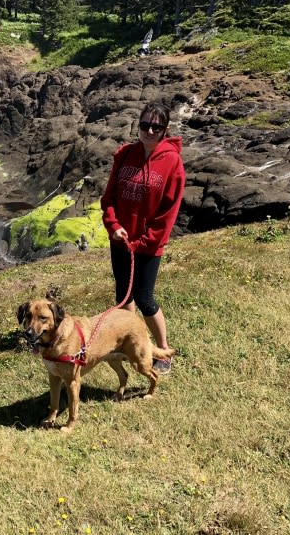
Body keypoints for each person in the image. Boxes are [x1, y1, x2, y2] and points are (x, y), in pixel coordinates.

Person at [100, 101, 185, 374]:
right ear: (138, 125)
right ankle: (130, 342)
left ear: (164, 130)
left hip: (148, 246)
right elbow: (109, 197)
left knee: (144, 298)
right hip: (120, 240)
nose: (149, 130)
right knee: (124, 296)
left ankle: (163, 349)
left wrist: (145, 241)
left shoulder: (172, 162)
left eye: (156, 127)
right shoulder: (125, 154)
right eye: (145, 125)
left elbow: (168, 212)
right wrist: (113, 226)